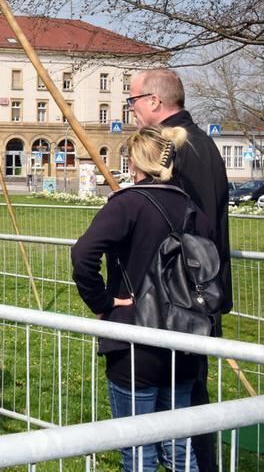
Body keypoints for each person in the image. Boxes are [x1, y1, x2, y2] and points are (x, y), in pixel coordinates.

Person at [71, 125, 210, 472]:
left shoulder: (127, 204)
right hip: (184, 335)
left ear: (134, 163)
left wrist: (103, 303)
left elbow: (83, 255)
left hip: (135, 339)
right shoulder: (193, 208)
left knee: (137, 453)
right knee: (180, 451)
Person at [129, 68, 230, 472]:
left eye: (133, 100)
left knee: (184, 405)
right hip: (191, 294)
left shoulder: (178, 146)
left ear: (154, 101)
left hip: (183, 298)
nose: (131, 109)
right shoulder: (194, 141)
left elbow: (190, 230)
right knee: (181, 399)